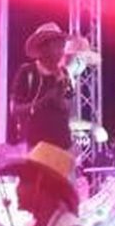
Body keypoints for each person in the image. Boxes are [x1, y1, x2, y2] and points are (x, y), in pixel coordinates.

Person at [10, 23, 76, 152]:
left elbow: (67, 108)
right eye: (56, 45)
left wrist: (60, 100)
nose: (61, 50)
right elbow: (15, 110)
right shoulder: (27, 72)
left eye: (62, 45)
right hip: (37, 147)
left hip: (63, 146)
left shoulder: (64, 73)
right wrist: (43, 101)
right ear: (43, 48)